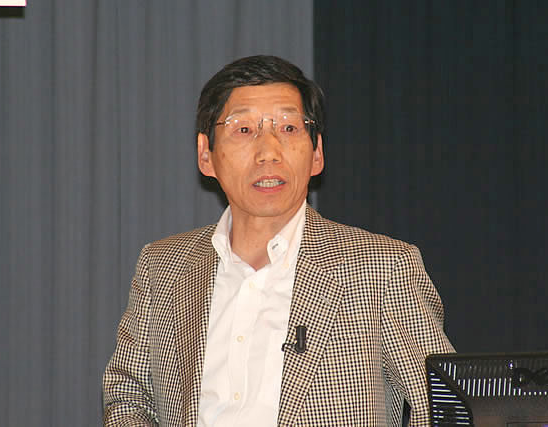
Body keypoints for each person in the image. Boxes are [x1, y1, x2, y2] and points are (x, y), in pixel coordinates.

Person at [103, 55, 454, 426]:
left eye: (288, 128)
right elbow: (129, 396)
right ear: (206, 155)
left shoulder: (381, 267)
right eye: (244, 129)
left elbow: (443, 406)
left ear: (317, 153)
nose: (268, 152)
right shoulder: (163, 267)